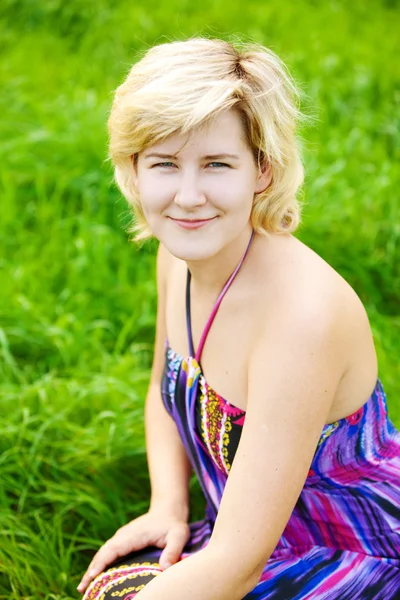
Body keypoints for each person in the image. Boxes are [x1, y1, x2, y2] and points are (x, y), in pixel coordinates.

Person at [77, 37, 400, 599]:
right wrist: (167, 507)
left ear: (263, 171)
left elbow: (236, 564)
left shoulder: (303, 320)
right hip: (244, 530)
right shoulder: (175, 257)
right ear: (133, 168)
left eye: (216, 164)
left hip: (345, 551)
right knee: (117, 583)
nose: (187, 196)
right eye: (164, 164)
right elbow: (163, 389)